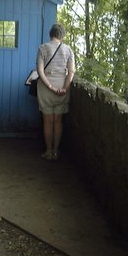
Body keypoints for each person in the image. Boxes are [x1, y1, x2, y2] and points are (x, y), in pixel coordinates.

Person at [36, 23, 75, 160]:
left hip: (47, 88)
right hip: (62, 87)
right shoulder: (68, 50)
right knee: (58, 121)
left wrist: (51, 87)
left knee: (48, 121)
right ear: (62, 36)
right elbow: (71, 72)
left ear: (50, 34)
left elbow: (40, 71)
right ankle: (56, 151)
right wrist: (65, 88)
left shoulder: (43, 48)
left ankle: (48, 151)